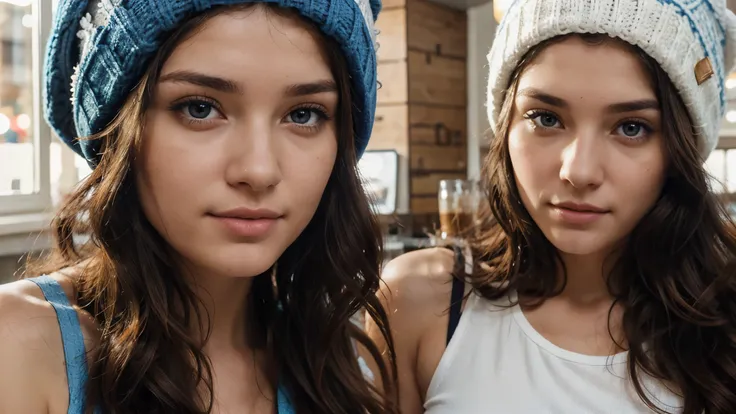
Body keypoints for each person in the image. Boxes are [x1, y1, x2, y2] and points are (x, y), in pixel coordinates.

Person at [0, 1, 398, 413]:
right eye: (200, 108)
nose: (259, 170)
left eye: (303, 114)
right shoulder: (20, 345)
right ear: (116, 133)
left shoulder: (329, 359)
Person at [369, 0, 736, 413]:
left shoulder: (724, 326)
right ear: (505, 125)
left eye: (631, 128)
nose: (578, 171)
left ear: (680, 151)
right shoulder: (420, 301)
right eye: (545, 118)